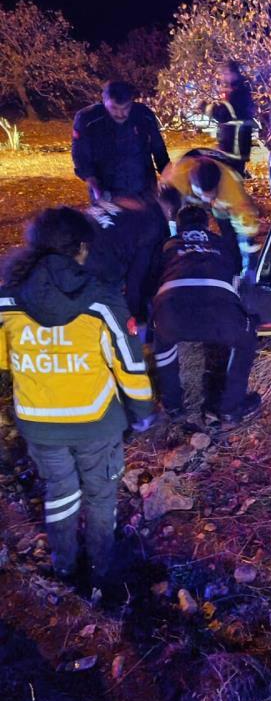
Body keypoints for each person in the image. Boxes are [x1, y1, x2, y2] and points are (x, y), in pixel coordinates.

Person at [0, 207, 155, 590]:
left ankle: (65, 564)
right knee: (101, 494)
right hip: (97, 423)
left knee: (60, 491)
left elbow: (4, 359)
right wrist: (142, 412)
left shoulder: (6, 301)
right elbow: (128, 365)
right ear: (82, 249)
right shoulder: (101, 301)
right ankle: (101, 569)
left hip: (39, 424)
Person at [152, 204, 260, 425]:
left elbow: (152, 277)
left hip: (172, 311)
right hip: (219, 311)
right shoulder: (219, 242)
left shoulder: (166, 245)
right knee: (246, 340)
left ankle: (173, 406)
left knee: (162, 346)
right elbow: (238, 274)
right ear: (206, 223)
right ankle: (230, 408)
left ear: (178, 226)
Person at [72, 80, 170, 202]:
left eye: (126, 108)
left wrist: (168, 174)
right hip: (106, 193)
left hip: (144, 190)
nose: (120, 114)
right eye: (114, 108)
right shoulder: (87, 120)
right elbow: (81, 156)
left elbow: (158, 149)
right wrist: (93, 183)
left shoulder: (144, 116)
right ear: (104, 101)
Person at [161, 154, 260, 274]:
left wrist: (249, 264)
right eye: (202, 195)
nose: (205, 200)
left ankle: (235, 269)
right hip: (187, 192)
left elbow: (246, 229)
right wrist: (174, 238)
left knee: (229, 233)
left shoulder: (232, 193)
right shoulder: (177, 178)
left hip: (221, 201)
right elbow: (167, 209)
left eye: (209, 195)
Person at [86, 196, 171, 321]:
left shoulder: (126, 204)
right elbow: (136, 277)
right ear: (169, 211)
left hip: (74, 239)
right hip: (96, 259)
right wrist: (135, 314)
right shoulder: (150, 227)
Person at [203, 60, 256, 175]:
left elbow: (225, 114)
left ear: (234, 74)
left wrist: (207, 108)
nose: (223, 77)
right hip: (234, 142)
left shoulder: (238, 92)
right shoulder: (239, 89)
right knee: (233, 174)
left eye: (225, 73)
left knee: (232, 176)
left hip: (234, 143)